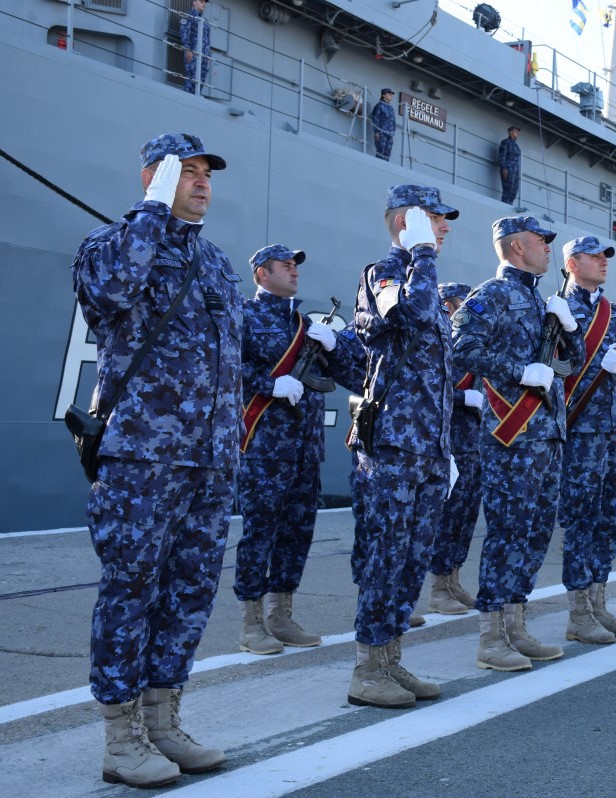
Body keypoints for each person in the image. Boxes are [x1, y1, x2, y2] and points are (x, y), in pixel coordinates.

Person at [72, 133, 236, 787]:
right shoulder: (110, 248)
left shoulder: (218, 265)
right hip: (143, 457)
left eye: (204, 174)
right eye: (185, 172)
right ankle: (121, 740)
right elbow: (110, 296)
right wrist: (151, 209)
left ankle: (164, 721)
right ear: (154, 177)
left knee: (188, 596)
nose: (200, 182)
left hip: (209, 462)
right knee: (130, 593)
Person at [452, 215, 584, 671]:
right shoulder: (492, 295)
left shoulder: (540, 299)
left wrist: (568, 327)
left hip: (548, 434)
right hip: (513, 433)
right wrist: (518, 371)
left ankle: (516, 624)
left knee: (535, 531)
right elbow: (462, 348)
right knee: (508, 532)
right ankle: (491, 637)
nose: (549, 247)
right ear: (514, 248)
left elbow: (575, 363)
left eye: (550, 241)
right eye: (539, 240)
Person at [346, 184, 459, 710]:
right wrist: (421, 255)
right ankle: (368, 668)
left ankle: (391, 657)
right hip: (391, 445)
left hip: (428, 447)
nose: (444, 227)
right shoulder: (385, 275)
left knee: (413, 559)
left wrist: (446, 448)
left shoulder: (426, 283)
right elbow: (405, 319)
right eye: (434, 218)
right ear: (405, 222)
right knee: (385, 558)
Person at [235, 244, 360, 655]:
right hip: (264, 447)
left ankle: (281, 615)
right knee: (259, 533)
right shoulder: (243, 316)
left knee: (296, 534)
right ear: (261, 275)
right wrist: (267, 384)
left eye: (295, 266)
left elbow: (354, 377)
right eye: (285, 266)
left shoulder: (307, 325)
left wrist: (333, 346)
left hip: (306, 449)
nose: (294, 271)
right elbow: (222, 365)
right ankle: (252, 622)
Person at [559, 236, 616, 642]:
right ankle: (579, 613)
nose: (603, 263)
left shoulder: (615, 312)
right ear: (572, 263)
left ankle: (599, 602)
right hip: (583, 432)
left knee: (612, 519)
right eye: (594, 257)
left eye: (605, 257)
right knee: (582, 519)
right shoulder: (557, 309)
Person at [424, 282, 483, 616]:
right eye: (462, 304)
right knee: (447, 517)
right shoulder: (439, 342)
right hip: (448, 441)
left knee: (466, 515)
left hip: (474, 441)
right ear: (447, 305)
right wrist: (463, 397)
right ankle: (437, 588)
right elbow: (430, 386)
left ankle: (453, 579)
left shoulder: (469, 342)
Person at [180, 0, 211, 95]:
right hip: (193, 53)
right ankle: (188, 98)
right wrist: (187, 50)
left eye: (205, 2)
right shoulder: (188, 16)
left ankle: (196, 97)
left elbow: (208, 40)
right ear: (193, 2)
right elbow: (185, 33)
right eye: (201, 1)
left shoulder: (205, 22)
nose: (204, 4)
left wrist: (208, 56)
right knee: (191, 77)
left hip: (204, 56)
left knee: (201, 80)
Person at [498, 126, 522, 205]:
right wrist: (504, 169)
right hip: (508, 170)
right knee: (507, 189)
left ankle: (510, 205)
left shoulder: (516, 146)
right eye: (515, 131)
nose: (517, 133)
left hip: (515, 172)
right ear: (510, 132)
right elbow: (502, 156)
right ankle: (504, 205)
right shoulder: (505, 142)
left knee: (514, 191)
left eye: (518, 131)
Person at [371, 88, 396, 161]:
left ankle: (385, 167)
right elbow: (375, 119)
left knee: (388, 152)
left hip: (390, 134)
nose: (391, 95)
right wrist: (376, 132)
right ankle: (378, 165)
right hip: (381, 133)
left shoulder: (391, 108)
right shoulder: (379, 106)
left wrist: (393, 132)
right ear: (383, 95)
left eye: (391, 94)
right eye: (389, 94)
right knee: (380, 151)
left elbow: (393, 121)